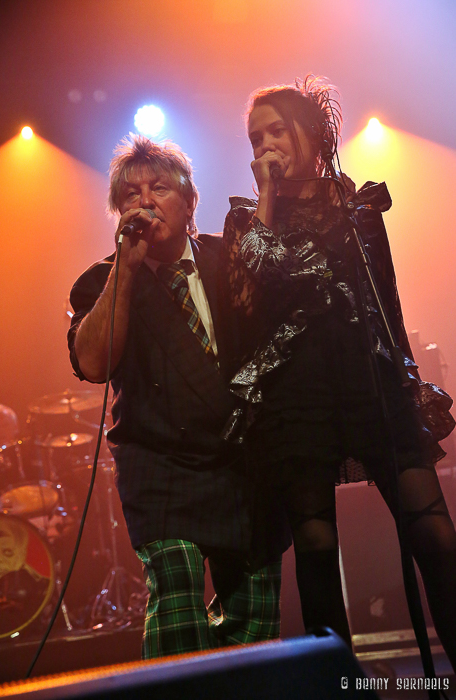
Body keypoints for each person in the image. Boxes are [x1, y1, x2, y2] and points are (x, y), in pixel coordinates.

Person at [222, 75, 456, 668]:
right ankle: (340, 685)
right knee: (318, 546)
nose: (265, 146)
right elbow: (253, 292)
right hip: (295, 395)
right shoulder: (247, 220)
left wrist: (407, 379)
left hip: (370, 381)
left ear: (311, 133)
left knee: (432, 529)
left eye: (277, 130)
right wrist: (269, 198)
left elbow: (386, 302)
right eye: (255, 138)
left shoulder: (357, 208)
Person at [67, 135, 290, 659]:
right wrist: (125, 265)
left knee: (252, 633)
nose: (143, 201)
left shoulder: (227, 258)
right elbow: (94, 364)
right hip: (162, 467)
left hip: (243, 464)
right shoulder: (100, 283)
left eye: (158, 188)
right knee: (178, 619)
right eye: (130, 195)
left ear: (189, 202)